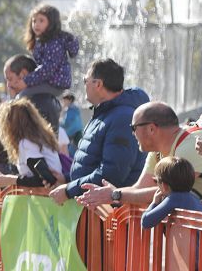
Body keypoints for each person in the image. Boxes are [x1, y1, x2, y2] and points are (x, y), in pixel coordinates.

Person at [76, 102, 202, 219]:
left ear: (151, 128)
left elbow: (170, 191)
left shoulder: (193, 143)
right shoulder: (158, 152)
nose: (132, 134)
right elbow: (141, 188)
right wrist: (111, 194)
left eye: (133, 128)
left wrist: (115, 195)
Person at [47, 59, 149, 206]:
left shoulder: (121, 117)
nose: (84, 85)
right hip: (97, 210)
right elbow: (92, 164)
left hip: (110, 216)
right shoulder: (104, 114)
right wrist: (66, 179)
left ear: (98, 84)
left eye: (85, 80)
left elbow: (111, 174)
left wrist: (69, 190)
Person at [0, 98, 65, 190]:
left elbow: (42, 180)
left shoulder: (27, 143)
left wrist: (11, 180)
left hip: (46, 198)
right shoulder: (38, 138)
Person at [22, 3, 79, 103]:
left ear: (51, 23)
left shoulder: (53, 43)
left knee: (23, 95)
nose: (36, 24)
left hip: (56, 83)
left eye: (41, 21)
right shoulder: (41, 41)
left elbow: (47, 68)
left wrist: (26, 81)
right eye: (34, 21)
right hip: (49, 81)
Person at [140, 156, 202, 229]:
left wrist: (154, 203)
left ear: (164, 185)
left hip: (190, 240)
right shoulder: (195, 198)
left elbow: (146, 222)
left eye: (156, 181)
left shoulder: (174, 199)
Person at [2, 54, 61, 133]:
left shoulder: (38, 102)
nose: (8, 85)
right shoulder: (41, 98)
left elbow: (18, 135)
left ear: (24, 74)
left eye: (10, 79)